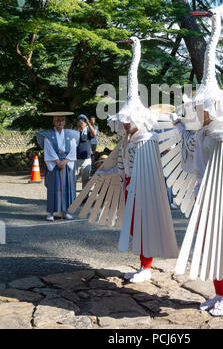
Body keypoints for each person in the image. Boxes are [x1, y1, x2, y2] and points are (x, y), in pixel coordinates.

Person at [69, 37, 178, 283]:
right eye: (124, 120)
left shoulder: (146, 139)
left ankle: (146, 267)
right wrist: (104, 175)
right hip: (131, 186)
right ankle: (143, 265)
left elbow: (156, 161)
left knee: (144, 226)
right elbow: (120, 165)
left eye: (129, 120)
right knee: (134, 227)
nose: (126, 124)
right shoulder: (128, 139)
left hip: (144, 190)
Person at [173, 7, 223, 317]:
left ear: (213, 107)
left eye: (201, 108)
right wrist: (178, 127)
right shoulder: (205, 132)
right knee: (208, 246)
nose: (197, 113)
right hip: (205, 194)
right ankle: (218, 295)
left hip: (222, 200)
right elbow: (191, 152)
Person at [36, 112, 79, 221]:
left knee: (67, 188)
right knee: (53, 188)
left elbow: (73, 149)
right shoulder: (48, 135)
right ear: (53, 122)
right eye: (57, 120)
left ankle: (65, 211)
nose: (60, 122)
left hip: (66, 164)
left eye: (62, 120)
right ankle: (51, 212)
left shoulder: (70, 134)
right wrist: (57, 162)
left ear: (64, 121)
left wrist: (65, 161)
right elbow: (48, 149)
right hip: (54, 165)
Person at [75, 114, 96, 190]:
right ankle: (72, 198)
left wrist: (88, 123)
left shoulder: (88, 130)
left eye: (84, 121)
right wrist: (78, 128)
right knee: (73, 180)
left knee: (85, 180)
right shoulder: (74, 130)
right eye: (80, 120)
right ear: (77, 122)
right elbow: (72, 138)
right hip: (75, 159)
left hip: (86, 159)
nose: (82, 122)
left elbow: (94, 134)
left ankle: (85, 198)